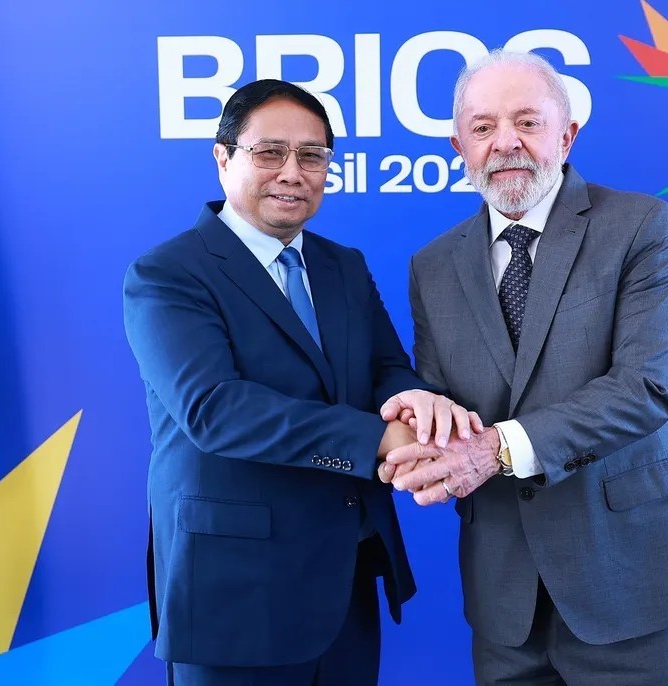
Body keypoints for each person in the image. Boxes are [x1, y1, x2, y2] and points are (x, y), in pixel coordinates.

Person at [382, 51, 668, 685]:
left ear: (567, 134)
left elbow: (644, 389)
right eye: (483, 126)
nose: (505, 142)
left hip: (633, 579)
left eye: (527, 121)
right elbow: (440, 397)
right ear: (459, 146)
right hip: (505, 600)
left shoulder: (641, 227)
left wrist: (494, 450)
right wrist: (416, 428)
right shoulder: (432, 265)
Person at [123, 79, 474, 686]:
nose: (293, 172)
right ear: (223, 157)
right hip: (233, 592)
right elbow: (215, 409)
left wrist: (411, 403)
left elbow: (384, 368)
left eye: (312, 156)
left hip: (345, 576)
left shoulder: (343, 264)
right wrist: (378, 439)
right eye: (270, 152)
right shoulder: (168, 274)